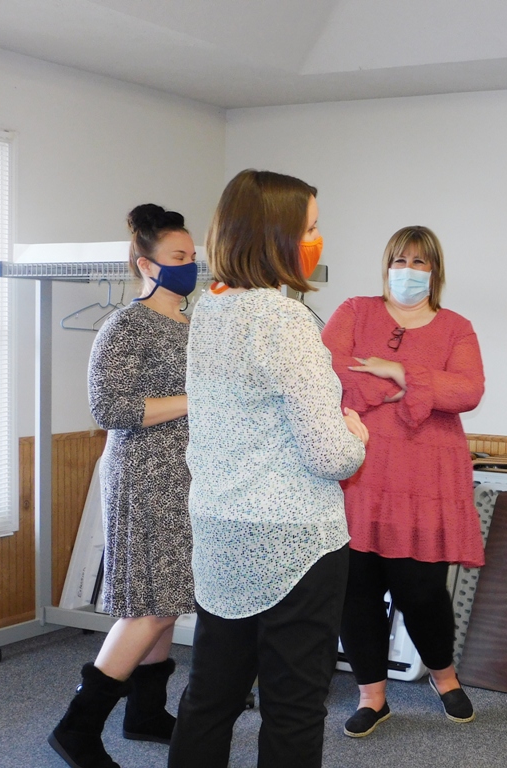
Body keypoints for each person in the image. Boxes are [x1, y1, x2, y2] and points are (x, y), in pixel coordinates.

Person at [168, 170, 368, 768]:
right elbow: (331, 454)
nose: (316, 239)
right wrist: (356, 436)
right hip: (295, 543)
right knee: (293, 708)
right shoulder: (286, 321)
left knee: (210, 696)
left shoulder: (208, 309)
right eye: (309, 229)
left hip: (220, 531)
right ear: (274, 236)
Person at [322, 225, 485, 737]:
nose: (408, 271)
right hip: (360, 472)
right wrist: (406, 388)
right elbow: (328, 371)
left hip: (427, 476)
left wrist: (399, 371)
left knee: (422, 590)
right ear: (386, 265)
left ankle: (444, 677)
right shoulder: (354, 310)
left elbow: (468, 390)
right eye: (399, 260)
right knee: (357, 588)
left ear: (435, 271)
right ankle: (372, 696)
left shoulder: (456, 327)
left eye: (419, 262)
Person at [49, 204, 198, 768]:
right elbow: (109, 408)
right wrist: (195, 399)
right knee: (149, 607)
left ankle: (146, 713)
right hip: (144, 476)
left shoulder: (189, 323)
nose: (189, 266)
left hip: (184, 476)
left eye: (192, 257)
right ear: (146, 264)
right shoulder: (126, 326)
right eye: (178, 257)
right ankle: (77, 727)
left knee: (166, 600)